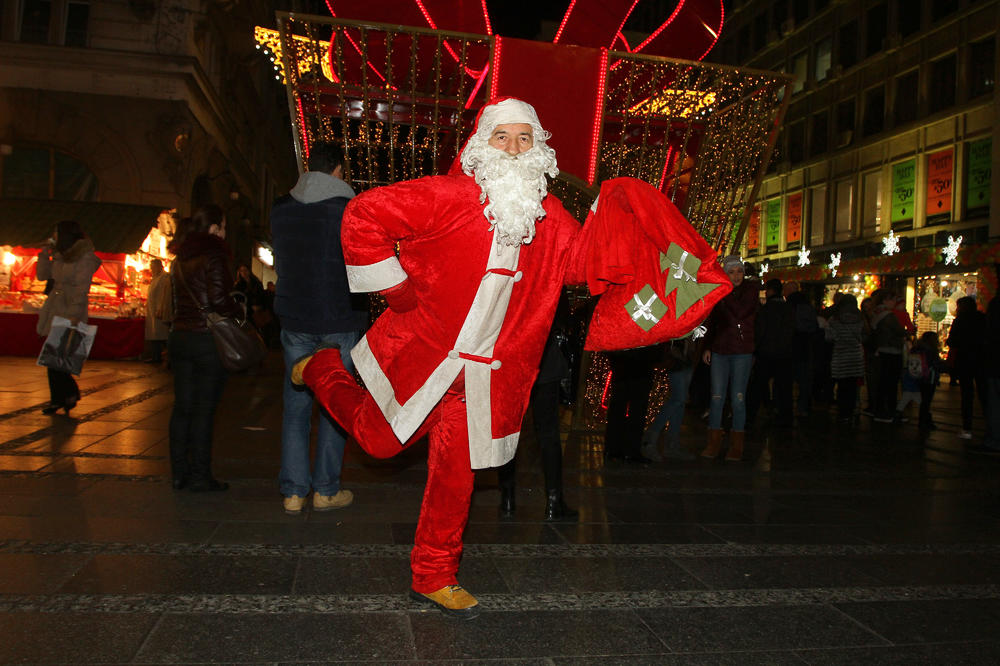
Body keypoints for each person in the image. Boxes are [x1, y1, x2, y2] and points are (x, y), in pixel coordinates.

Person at [288, 98, 715, 619]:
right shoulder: (446, 196)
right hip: (424, 357)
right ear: (480, 147)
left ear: (539, 150)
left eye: (524, 139)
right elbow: (363, 215)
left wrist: (624, 212)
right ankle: (323, 368)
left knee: (456, 475)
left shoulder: (550, 218)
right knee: (377, 443)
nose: (514, 149)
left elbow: (580, 266)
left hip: (485, 378)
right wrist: (398, 293)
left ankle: (434, 574)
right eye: (502, 137)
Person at [270, 141, 368, 515]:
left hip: (295, 319)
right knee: (334, 403)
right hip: (340, 319)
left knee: (296, 406)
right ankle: (326, 489)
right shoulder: (350, 210)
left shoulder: (280, 209)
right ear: (339, 170)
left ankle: (293, 492)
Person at [167, 205, 241, 492]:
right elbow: (219, 300)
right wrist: (237, 307)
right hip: (206, 340)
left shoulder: (179, 258)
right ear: (212, 228)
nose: (224, 232)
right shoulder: (215, 255)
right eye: (222, 226)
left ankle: (178, 472)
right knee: (204, 410)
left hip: (180, 337)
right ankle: (199, 475)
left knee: (182, 407)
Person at [497, 307, 578, 521]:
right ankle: (554, 501)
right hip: (543, 357)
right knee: (549, 433)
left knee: (509, 431)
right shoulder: (549, 275)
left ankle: (507, 498)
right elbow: (562, 316)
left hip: (511, 358)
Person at [35, 220, 102, 415]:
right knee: (52, 356)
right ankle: (63, 396)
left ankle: (66, 395)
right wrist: (44, 254)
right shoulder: (59, 255)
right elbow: (42, 276)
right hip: (55, 306)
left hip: (70, 308)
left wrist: (74, 314)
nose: (53, 236)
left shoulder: (84, 258)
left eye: (56, 232)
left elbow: (82, 288)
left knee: (59, 356)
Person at [700, 255, 759, 461]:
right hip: (720, 350)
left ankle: (736, 446)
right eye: (731, 272)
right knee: (716, 397)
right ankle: (714, 442)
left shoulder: (750, 290)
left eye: (739, 271)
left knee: (738, 398)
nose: (736, 276)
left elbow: (741, 312)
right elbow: (712, 321)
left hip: (742, 351)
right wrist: (707, 347)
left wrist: (723, 292)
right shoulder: (720, 291)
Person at [641, 334, 699, 462]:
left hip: (687, 354)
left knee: (680, 401)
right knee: (679, 399)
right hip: (675, 354)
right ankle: (651, 439)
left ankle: (670, 444)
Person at [747, 278, 795, 428]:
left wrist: (756, 349)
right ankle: (785, 417)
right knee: (784, 388)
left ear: (770, 291)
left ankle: (750, 417)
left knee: (758, 385)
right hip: (784, 353)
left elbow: (760, 331)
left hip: (766, 353)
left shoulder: (766, 309)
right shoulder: (788, 308)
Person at [603, 345, 660, 464]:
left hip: (630, 360)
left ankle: (619, 449)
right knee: (630, 408)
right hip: (632, 360)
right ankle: (623, 450)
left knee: (627, 408)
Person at [947, 295, 988, 440]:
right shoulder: (982, 318)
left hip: (965, 360)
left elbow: (952, 341)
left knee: (967, 395)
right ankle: (990, 427)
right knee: (985, 394)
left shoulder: (960, 320)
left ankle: (967, 428)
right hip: (982, 360)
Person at [826, 294, 865, 423]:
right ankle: (851, 410)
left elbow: (829, 337)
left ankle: (842, 413)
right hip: (855, 356)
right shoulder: (860, 319)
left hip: (840, 356)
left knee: (842, 386)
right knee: (853, 387)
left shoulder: (834, 319)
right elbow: (864, 336)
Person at [869, 289, 906, 423]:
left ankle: (880, 410)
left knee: (882, 382)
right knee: (890, 383)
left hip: (881, 350)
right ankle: (888, 411)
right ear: (885, 300)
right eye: (892, 299)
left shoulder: (876, 313)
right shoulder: (888, 315)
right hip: (891, 350)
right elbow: (900, 331)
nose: (894, 302)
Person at [895, 331, 941, 429]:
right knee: (925, 401)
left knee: (918, 398)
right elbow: (936, 365)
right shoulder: (931, 351)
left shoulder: (916, 349)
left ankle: (923, 420)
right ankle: (925, 421)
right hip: (929, 378)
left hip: (916, 376)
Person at [143, 259, 172, 364]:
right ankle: (156, 356)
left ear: (159, 266)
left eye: (152, 266)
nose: (151, 269)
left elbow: (163, 295)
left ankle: (166, 357)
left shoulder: (164, 278)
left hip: (159, 311)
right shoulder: (156, 278)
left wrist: (160, 309)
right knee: (155, 334)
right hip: (152, 310)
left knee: (161, 335)